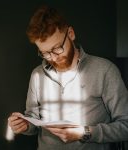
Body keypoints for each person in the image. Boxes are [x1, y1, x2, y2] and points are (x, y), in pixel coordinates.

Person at [8, 5, 128, 150]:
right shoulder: (37, 75)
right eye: (45, 52)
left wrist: (85, 132)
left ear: (70, 34)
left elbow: (125, 126)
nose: (52, 58)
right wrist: (25, 125)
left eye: (57, 48)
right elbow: (33, 121)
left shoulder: (105, 70)